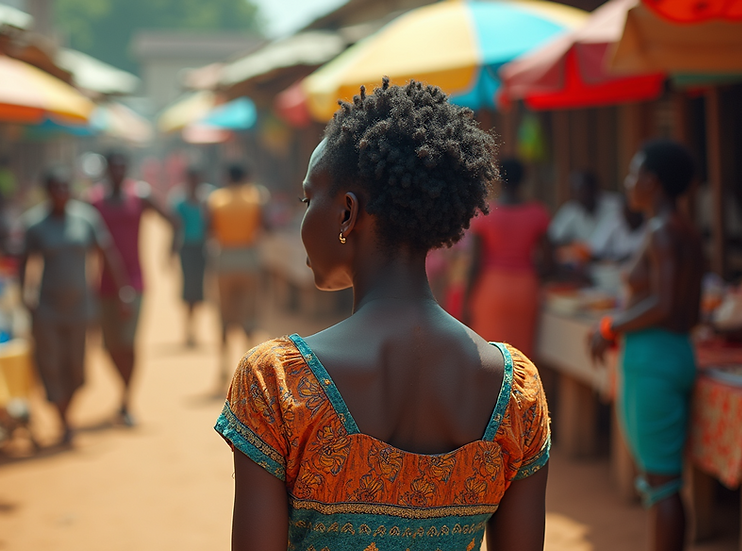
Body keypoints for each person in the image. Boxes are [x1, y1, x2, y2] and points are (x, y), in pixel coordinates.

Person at [216, 80, 550, 551]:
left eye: (310, 199)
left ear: (348, 213)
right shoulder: (516, 393)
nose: (306, 216)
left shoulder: (277, 383)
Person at [590, 140, 704, 551]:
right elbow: (685, 309)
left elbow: (666, 301)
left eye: (633, 173)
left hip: (654, 358)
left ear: (652, 181)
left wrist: (610, 327)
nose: (628, 182)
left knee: (662, 484)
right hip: (674, 352)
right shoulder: (685, 229)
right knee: (665, 481)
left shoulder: (660, 230)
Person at [21, 168, 130, 444]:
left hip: (81, 307)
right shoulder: (35, 224)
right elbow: (22, 263)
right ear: (47, 192)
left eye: (64, 188)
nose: (61, 193)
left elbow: (108, 254)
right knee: (51, 364)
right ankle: (64, 421)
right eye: (55, 188)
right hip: (47, 308)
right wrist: (25, 295)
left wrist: (121, 291)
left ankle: (66, 413)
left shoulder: (86, 219)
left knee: (76, 365)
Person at [91, 151, 177, 426]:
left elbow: (174, 220)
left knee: (128, 343)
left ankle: (126, 399)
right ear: (106, 169)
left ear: (126, 168)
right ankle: (123, 391)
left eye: (121, 165)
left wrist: (170, 252)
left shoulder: (139, 197)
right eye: (112, 166)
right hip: (103, 284)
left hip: (135, 282)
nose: (117, 170)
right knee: (108, 346)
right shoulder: (94, 202)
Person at [465, 158, 551, 355]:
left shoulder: (485, 213)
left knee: (488, 357)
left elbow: (475, 265)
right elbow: (549, 264)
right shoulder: (538, 213)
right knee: (520, 360)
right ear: (524, 180)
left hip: (490, 291)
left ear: (498, 179)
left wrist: (465, 302)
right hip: (525, 291)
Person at [207, 163, 266, 384]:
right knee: (249, 315)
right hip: (249, 257)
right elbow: (264, 226)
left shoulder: (216, 199)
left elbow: (209, 229)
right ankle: (250, 371)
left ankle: (223, 368)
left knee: (224, 314)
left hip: (225, 259)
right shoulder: (256, 196)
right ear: (245, 176)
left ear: (227, 176)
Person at [172, 167, 209, 347]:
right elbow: (175, 228)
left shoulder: (207, 200)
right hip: (186, 249)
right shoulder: (179, 201)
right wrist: (170, 251)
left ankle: (195, 329)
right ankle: (188, 330)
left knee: (199, 289)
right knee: (188, 288)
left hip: (202, 248)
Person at [549, 170, 623, 247]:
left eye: (582, 189)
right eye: (575, 190)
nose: (578, 194)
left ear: (595, 188)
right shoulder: (571, 210)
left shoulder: (615, 205)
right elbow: (554, 237)